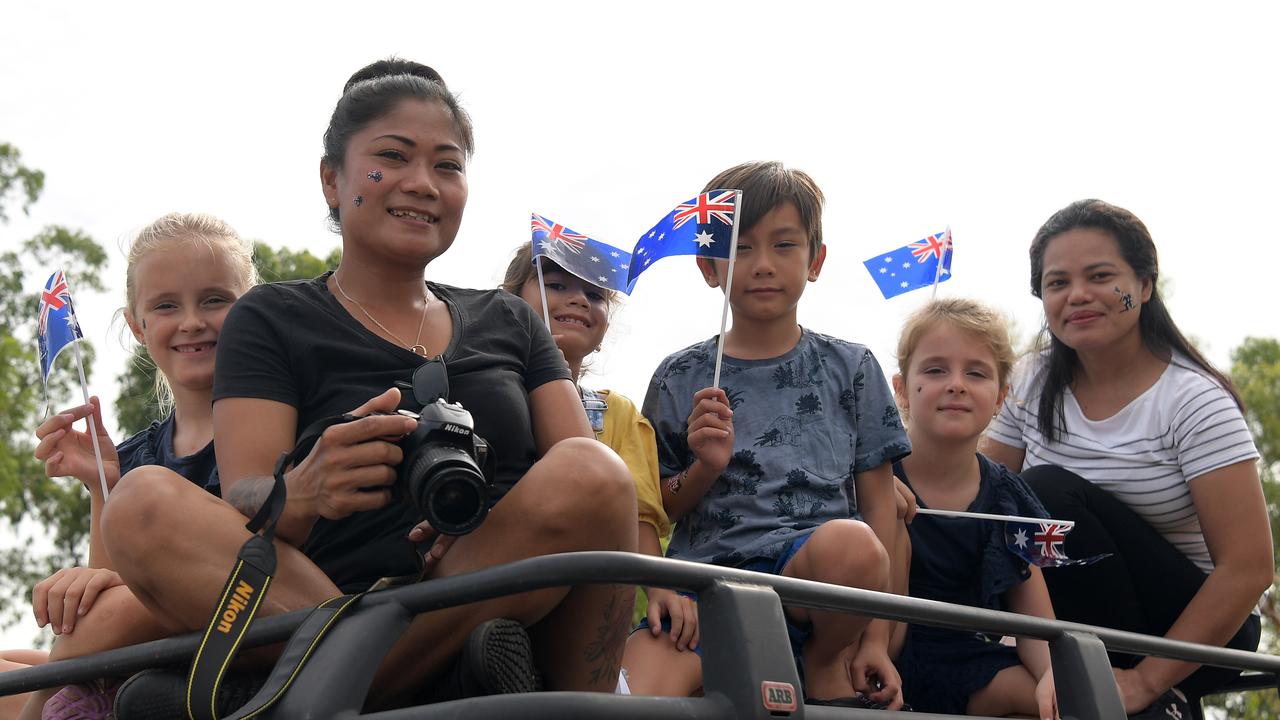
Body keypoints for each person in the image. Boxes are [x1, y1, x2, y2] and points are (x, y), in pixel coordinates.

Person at [97, 58, 637, 713]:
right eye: (393, 156)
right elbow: (243, 498)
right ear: (332, 179)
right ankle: (421, 676)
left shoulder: (513, 320)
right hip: (317, 598)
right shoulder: (271, 317)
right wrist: (303, 489)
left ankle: (318, 693)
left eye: (447, 165)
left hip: (490, 595)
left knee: (597, 472)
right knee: (139, 503)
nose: (422, 183)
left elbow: (590, 496)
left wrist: (480, 526)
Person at [622, 161, 911, 709]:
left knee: (851, 542)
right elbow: (658, 507)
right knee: (632, 699)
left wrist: (874, 639)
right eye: (740, 248)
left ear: (815, 260)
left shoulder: (851, 366)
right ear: (710, 267)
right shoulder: (679, 375)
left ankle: (823, 666)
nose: (762, 266)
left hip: (817, 594)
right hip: (703, 595)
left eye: (783, 245)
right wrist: (703, 467)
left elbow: (880, 511)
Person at [981, 199, 1272, 716]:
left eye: (1099, 275)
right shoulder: (1030, 379)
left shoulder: (1193, 400)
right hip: (1081, 617)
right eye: (1057, 283)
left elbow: (1248, 569)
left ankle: (1155, 699)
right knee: (1009, 507)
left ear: (1143, 284)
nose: (1078, 295)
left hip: (1195, 634)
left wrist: (1144, 683)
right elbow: (979, 496)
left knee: (1046, 493)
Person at [13, 213, 257, 720]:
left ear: (253, 307)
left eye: (215, 299)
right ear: (137, 326)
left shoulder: (264, 425)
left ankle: (48, 707)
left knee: (92, 629)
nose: (192, 320)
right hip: (140, 641)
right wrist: (104, 484)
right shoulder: (137, 453)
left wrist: (98, 601)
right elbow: (107, 584)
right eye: (166, 305)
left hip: (235, 625)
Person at [501, 245, 699, 655]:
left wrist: (659, 587)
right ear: (511, 300)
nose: (578, 300)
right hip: (501, 577)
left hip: (588, 603)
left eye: (595, 295)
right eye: (555, 285)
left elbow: (640, 512)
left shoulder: (619, 415)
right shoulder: (486, 393)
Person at [888, 298, 1057, 718]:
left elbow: (1036, 621)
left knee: (1053, 699)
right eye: (935, 370)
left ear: (1000, 397)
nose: (956, 384)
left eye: (976, 373)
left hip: (964, 658)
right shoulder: (869, 477)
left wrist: (1052, 674)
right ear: (901, 389)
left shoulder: (1006, 497)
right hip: (868, 646)